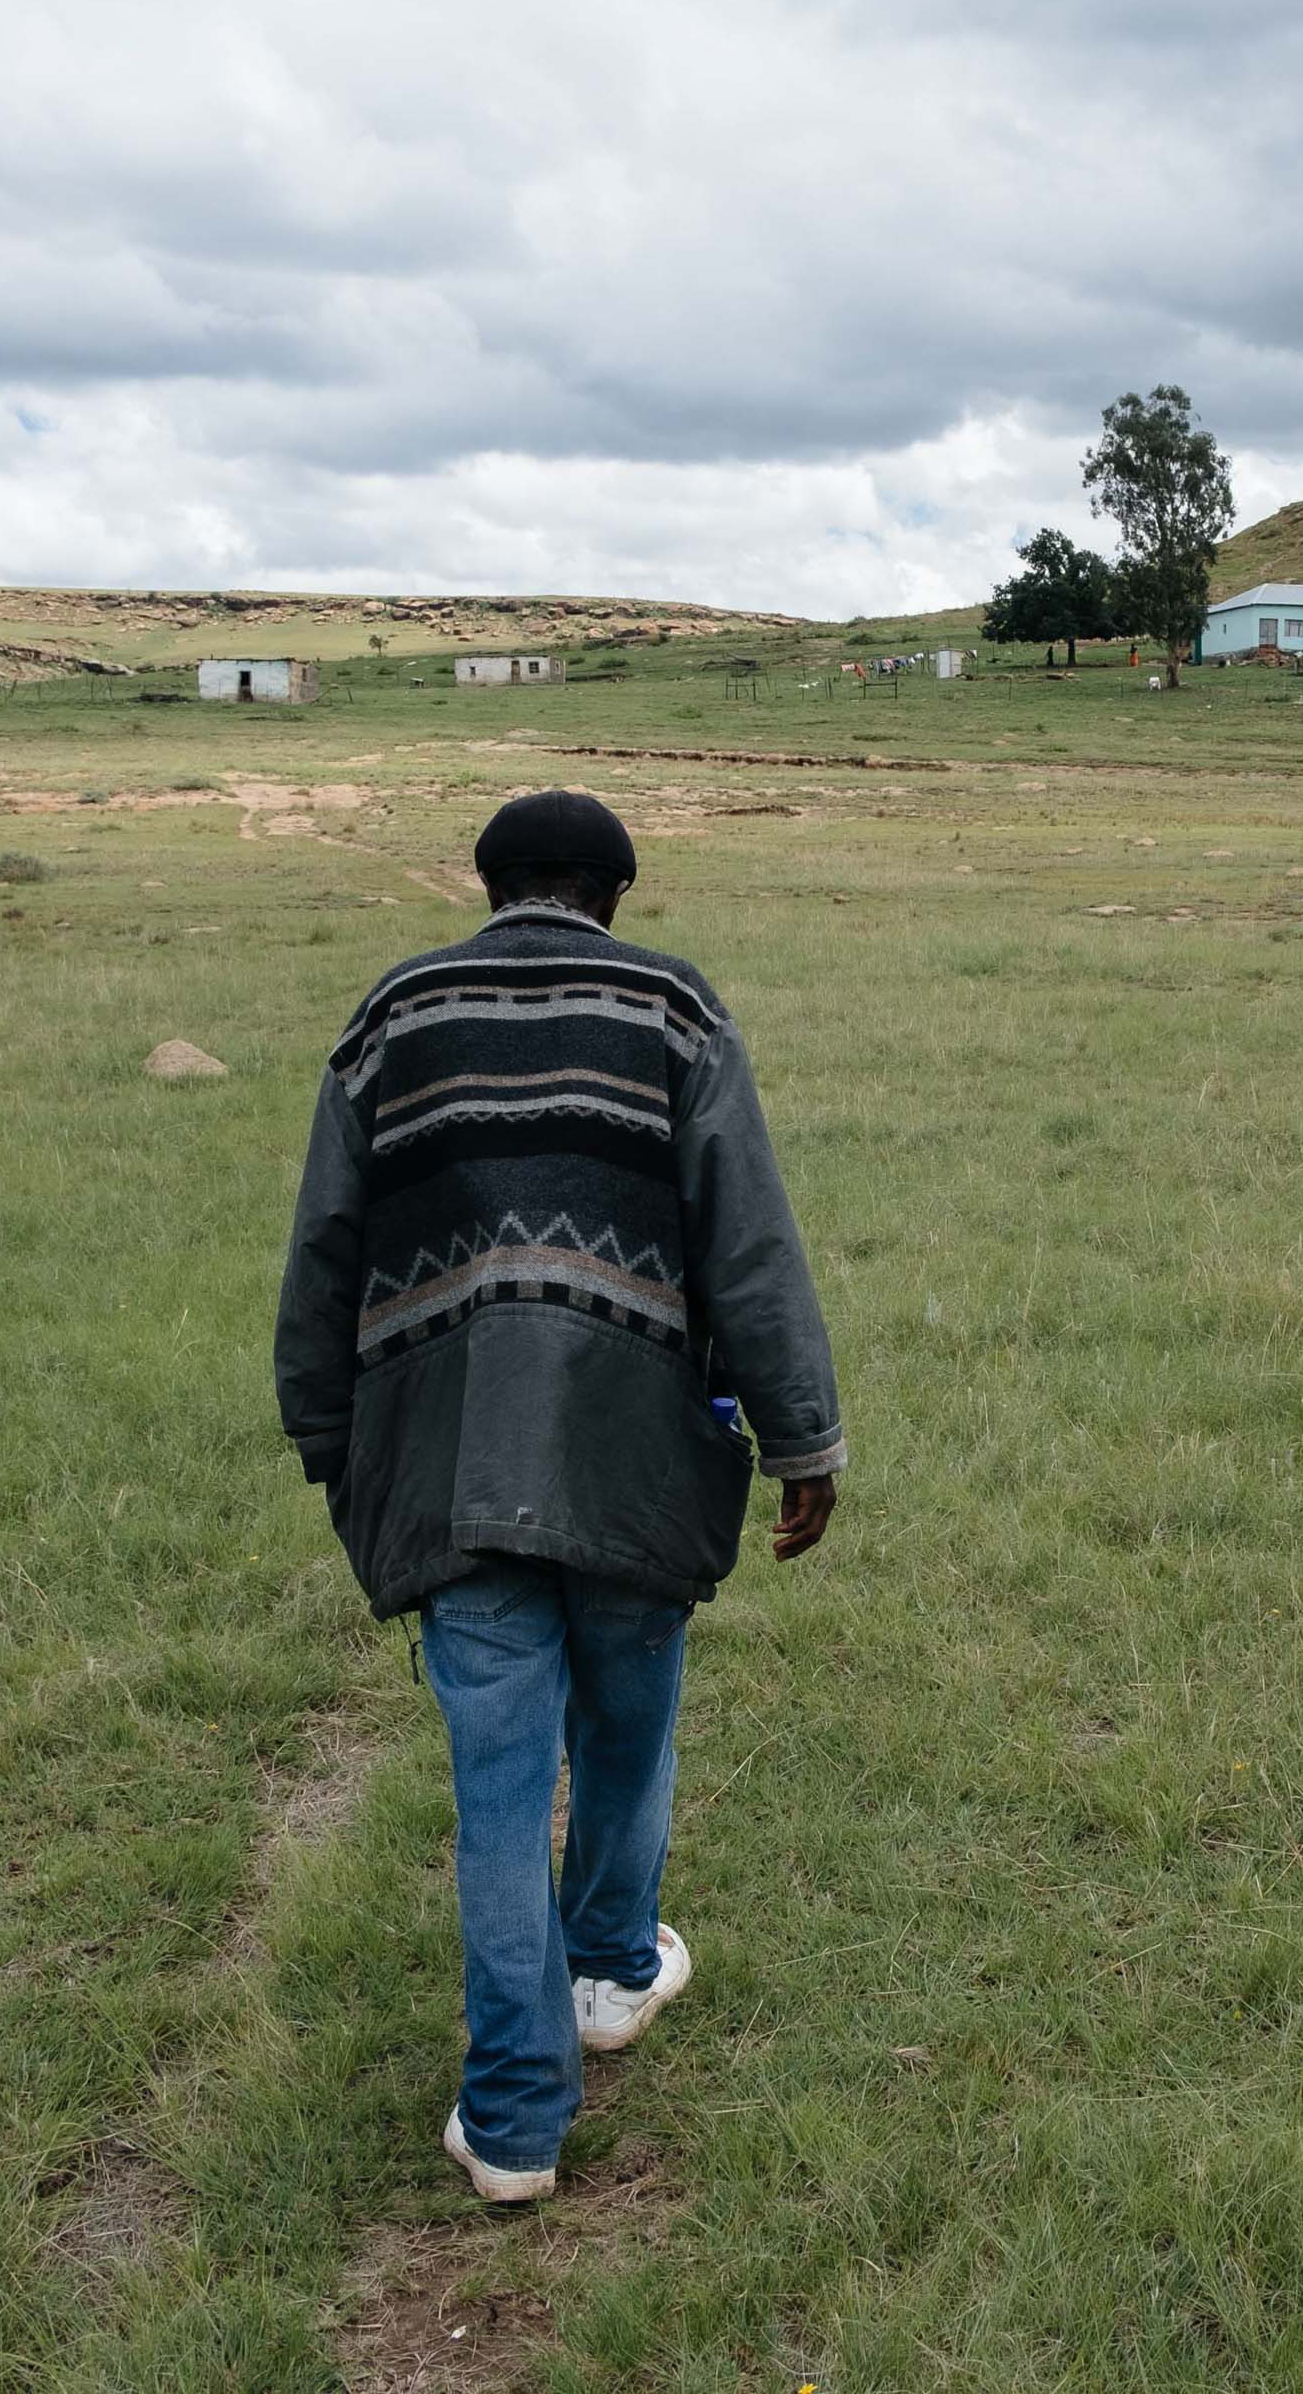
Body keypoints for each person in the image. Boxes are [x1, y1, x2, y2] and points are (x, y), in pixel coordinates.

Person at [274, 789, 846, 2203]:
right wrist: (803, 1439)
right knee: (630, 1729)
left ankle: (517, 2122)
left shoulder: (392, 1014)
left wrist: (323, 1430)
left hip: (448, 1463)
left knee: (496, 1786)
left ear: (490, 888)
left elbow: (325, 1245)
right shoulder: (674, 1009)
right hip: (639, 1455)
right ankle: (610, 1971)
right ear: (613, 894)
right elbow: (749, 1242)